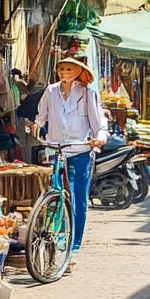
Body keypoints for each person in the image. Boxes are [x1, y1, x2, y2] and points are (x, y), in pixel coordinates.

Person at [34, 56, 107, 254]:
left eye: (68, 69)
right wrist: (36, 126)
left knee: (77, 196)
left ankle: (74, 241)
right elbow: (41, 116)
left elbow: (99, 122)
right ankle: (57, 231)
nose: (64, 73)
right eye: (61, 69)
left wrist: (99, 137)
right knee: (57, 191)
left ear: (77, 72)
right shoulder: (50, 91)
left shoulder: (87, 93)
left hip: (81, 149)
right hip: (57, 149)